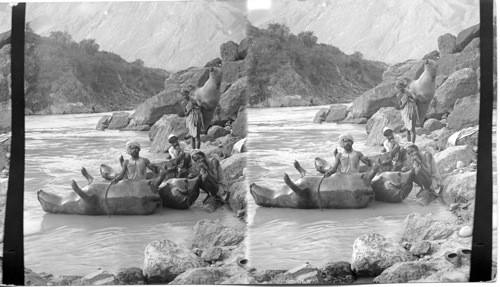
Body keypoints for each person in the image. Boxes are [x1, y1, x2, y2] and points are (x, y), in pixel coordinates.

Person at [396, 78, 419, 143]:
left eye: (401, 87)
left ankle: (412, 144)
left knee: (412, 129)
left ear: (403, 86)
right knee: (407, 129)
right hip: (405, 112)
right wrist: (405, 102)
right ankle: (408, 144)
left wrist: (410, 97)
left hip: (412, 110)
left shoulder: (409, 91)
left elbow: (416, 99)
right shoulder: (399, 95)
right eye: (398, 88)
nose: (400, 89)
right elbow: (400, 107)